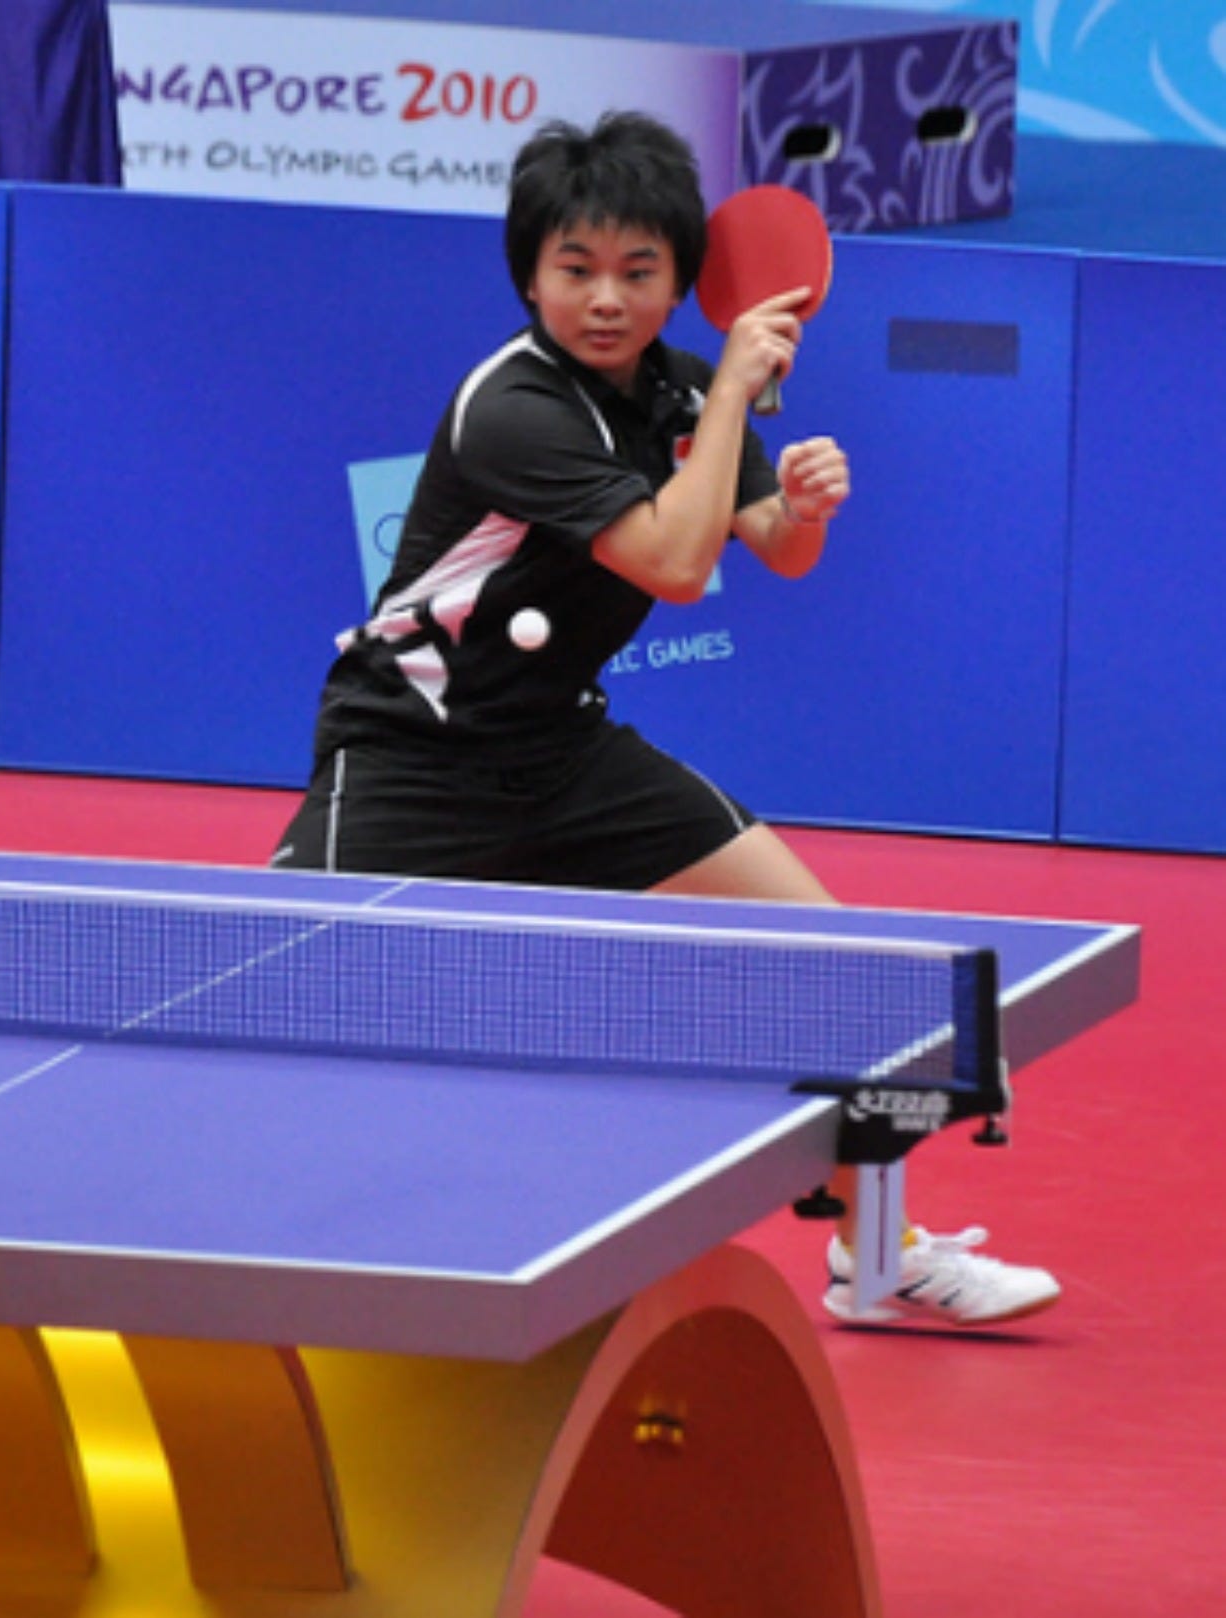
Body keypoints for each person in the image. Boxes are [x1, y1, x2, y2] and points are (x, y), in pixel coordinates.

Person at [270, 113, 1057, 1329]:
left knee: (839, 960)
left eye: (638, 272)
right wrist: (741, 394)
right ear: (528, 273)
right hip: (408, 754)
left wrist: (802, 506)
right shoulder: (512, 407)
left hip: (564, 751)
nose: (603, 298)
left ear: (680, 281)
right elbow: (677, 566)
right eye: (574, 268)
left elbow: (771, 554)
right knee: (266, 999)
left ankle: (876, 1246)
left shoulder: (686, 390)